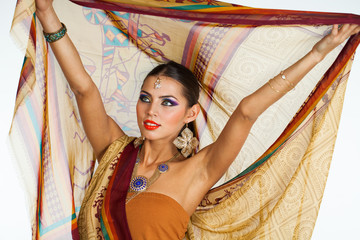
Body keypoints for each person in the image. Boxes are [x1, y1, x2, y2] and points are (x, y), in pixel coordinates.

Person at [35, 0, 360, 239]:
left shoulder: (197, 170)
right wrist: (47, 13)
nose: (152, 111)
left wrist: (318, 53)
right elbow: (84, 89)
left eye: (168, 102)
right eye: (146, 98)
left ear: (190, 113)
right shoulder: (113, 151)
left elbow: (247, 111)